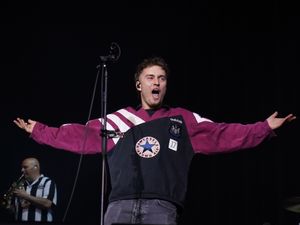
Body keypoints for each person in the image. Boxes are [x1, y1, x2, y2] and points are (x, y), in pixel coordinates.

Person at [14, 56, 296, 225]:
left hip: (161, 207)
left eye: (161, 78)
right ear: (140, 84)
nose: (156, 82)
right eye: (150, 77)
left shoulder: (182, 120)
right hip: (119, 206)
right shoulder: (117, 120)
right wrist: (39, 130)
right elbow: (76, 134)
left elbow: (222, 134)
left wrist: (263, 128)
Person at [12, 157, 57, 222]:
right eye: (22, 167)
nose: (22, 170)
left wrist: (25, 196)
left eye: (25, 167)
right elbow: (16, 208)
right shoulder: (21, 184)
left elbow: (47, 203)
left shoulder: (47, 182)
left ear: (35, 167)